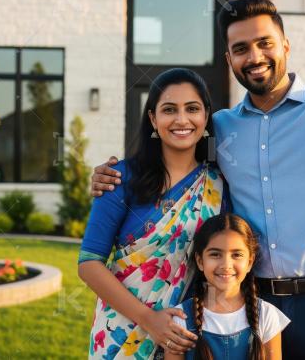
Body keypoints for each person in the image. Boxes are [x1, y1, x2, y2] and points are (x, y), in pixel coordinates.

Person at [92, 0, 305, 358]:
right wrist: (113, 175)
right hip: (251, 304)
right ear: (229, 59)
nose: (254, 57)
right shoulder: (221, 127)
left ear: (286, 45)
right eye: (241, 49)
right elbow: (172, 153)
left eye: (265, 43)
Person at [78, 68, 232, 359]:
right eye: (169, 109)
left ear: (205, 116)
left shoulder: (218, 186)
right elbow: (89, 263)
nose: (182, 120)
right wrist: (149, 320)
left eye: (192, 109)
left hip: (186, 334)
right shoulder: (120, 178)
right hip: (120, 334)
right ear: (152, 118)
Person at [165, 213, 289, 360]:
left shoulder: (266, 315)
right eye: (215, 254)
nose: (226, 265)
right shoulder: (180, 319)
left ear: (250, 262)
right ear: (200, 261)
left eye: (236, 255)